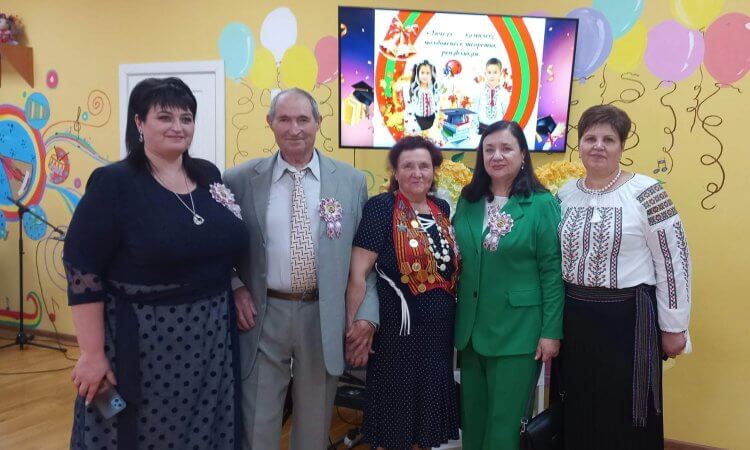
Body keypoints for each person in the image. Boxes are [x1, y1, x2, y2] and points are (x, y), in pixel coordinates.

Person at [65, 77, 248, 450]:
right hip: (143, 341)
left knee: (204, 430)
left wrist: (237, 284)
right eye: (165, 117)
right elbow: (82, 267)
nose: (178, 127)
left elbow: (218, 244)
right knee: (137, 430)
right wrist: (92, 354)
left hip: (210, 338)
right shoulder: (115, 183)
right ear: (139, 122)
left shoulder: (207, 176)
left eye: (186, 118)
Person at [223, 88, 379, 450]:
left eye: (303, 119)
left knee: (313, 428)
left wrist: (366, 317)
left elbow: (367, 260)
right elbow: (217, 247)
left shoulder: (350, 181)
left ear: (318, 123)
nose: (294, 129)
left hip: (323, 315)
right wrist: (235, 285)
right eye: (285, 119)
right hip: (263, 314)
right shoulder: (239, 179)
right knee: (258, 424)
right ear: (270, 123)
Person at [557, 104, 692, 449]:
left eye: (609, 139)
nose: (598, 146)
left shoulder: (648, 193)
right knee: (580, 403)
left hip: (629, 321)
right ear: (579, 144)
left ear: (622, 145)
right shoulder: (564, 195)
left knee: (627, 408)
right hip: (575, 319)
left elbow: (674, 259)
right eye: (590, 138)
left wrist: (674, 326)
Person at [452, 120, 564, 449]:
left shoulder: (541, 204)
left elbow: (551, 272)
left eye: (506, 148)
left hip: (518, 331)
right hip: (471, 331)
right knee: (472, 420)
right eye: (489, 149)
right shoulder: (469, 200)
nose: (496, 156)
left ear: (523, 155)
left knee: (504, 426)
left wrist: (551, 331)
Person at [346, 135, 460, 450]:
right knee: (394, 423)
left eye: (424, 166)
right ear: (395, 172)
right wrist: (353, 329)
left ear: (434, 171)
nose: (416, 173)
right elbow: (358, 274)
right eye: (407, 166)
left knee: (424, 423)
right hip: (398, 335)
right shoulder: (381, 208)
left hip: (438, 334)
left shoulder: (441, 208)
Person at [474, 58, 511, 134]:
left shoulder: (504, 93)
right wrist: (475, 128)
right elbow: (475, 110)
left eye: (495, 72)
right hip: (482, 129)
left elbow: (507, 113)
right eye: (489, 72)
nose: (492, 76)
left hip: (498, 130)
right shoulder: (479, 91)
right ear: (485, 74)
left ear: (500, 74)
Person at [405, 60, 440, 132]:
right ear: (418, 73)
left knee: (430, 131)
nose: (425, 76)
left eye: (428, 73)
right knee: (422, 132)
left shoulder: (432, 87)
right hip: (419, 117)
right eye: (422, 73)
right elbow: (412, 105)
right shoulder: (416, 89)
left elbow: (436, 100)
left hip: (432, 116)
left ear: (431, 74)